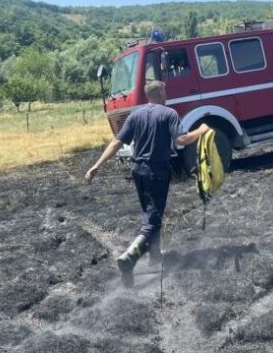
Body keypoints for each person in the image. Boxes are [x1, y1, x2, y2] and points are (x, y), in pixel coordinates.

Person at [84, 80, 209, 287]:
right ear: (160, 94)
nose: (166, 95)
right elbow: (181, 140)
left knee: (150, 214)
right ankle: (129, 258)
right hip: (156, 172)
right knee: (153, 220)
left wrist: (96, 166)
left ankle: (154, 257)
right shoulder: (169, 114)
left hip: (137, 172)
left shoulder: (135, 115)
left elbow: (116, 142)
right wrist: (201, 130)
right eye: (165, 92)